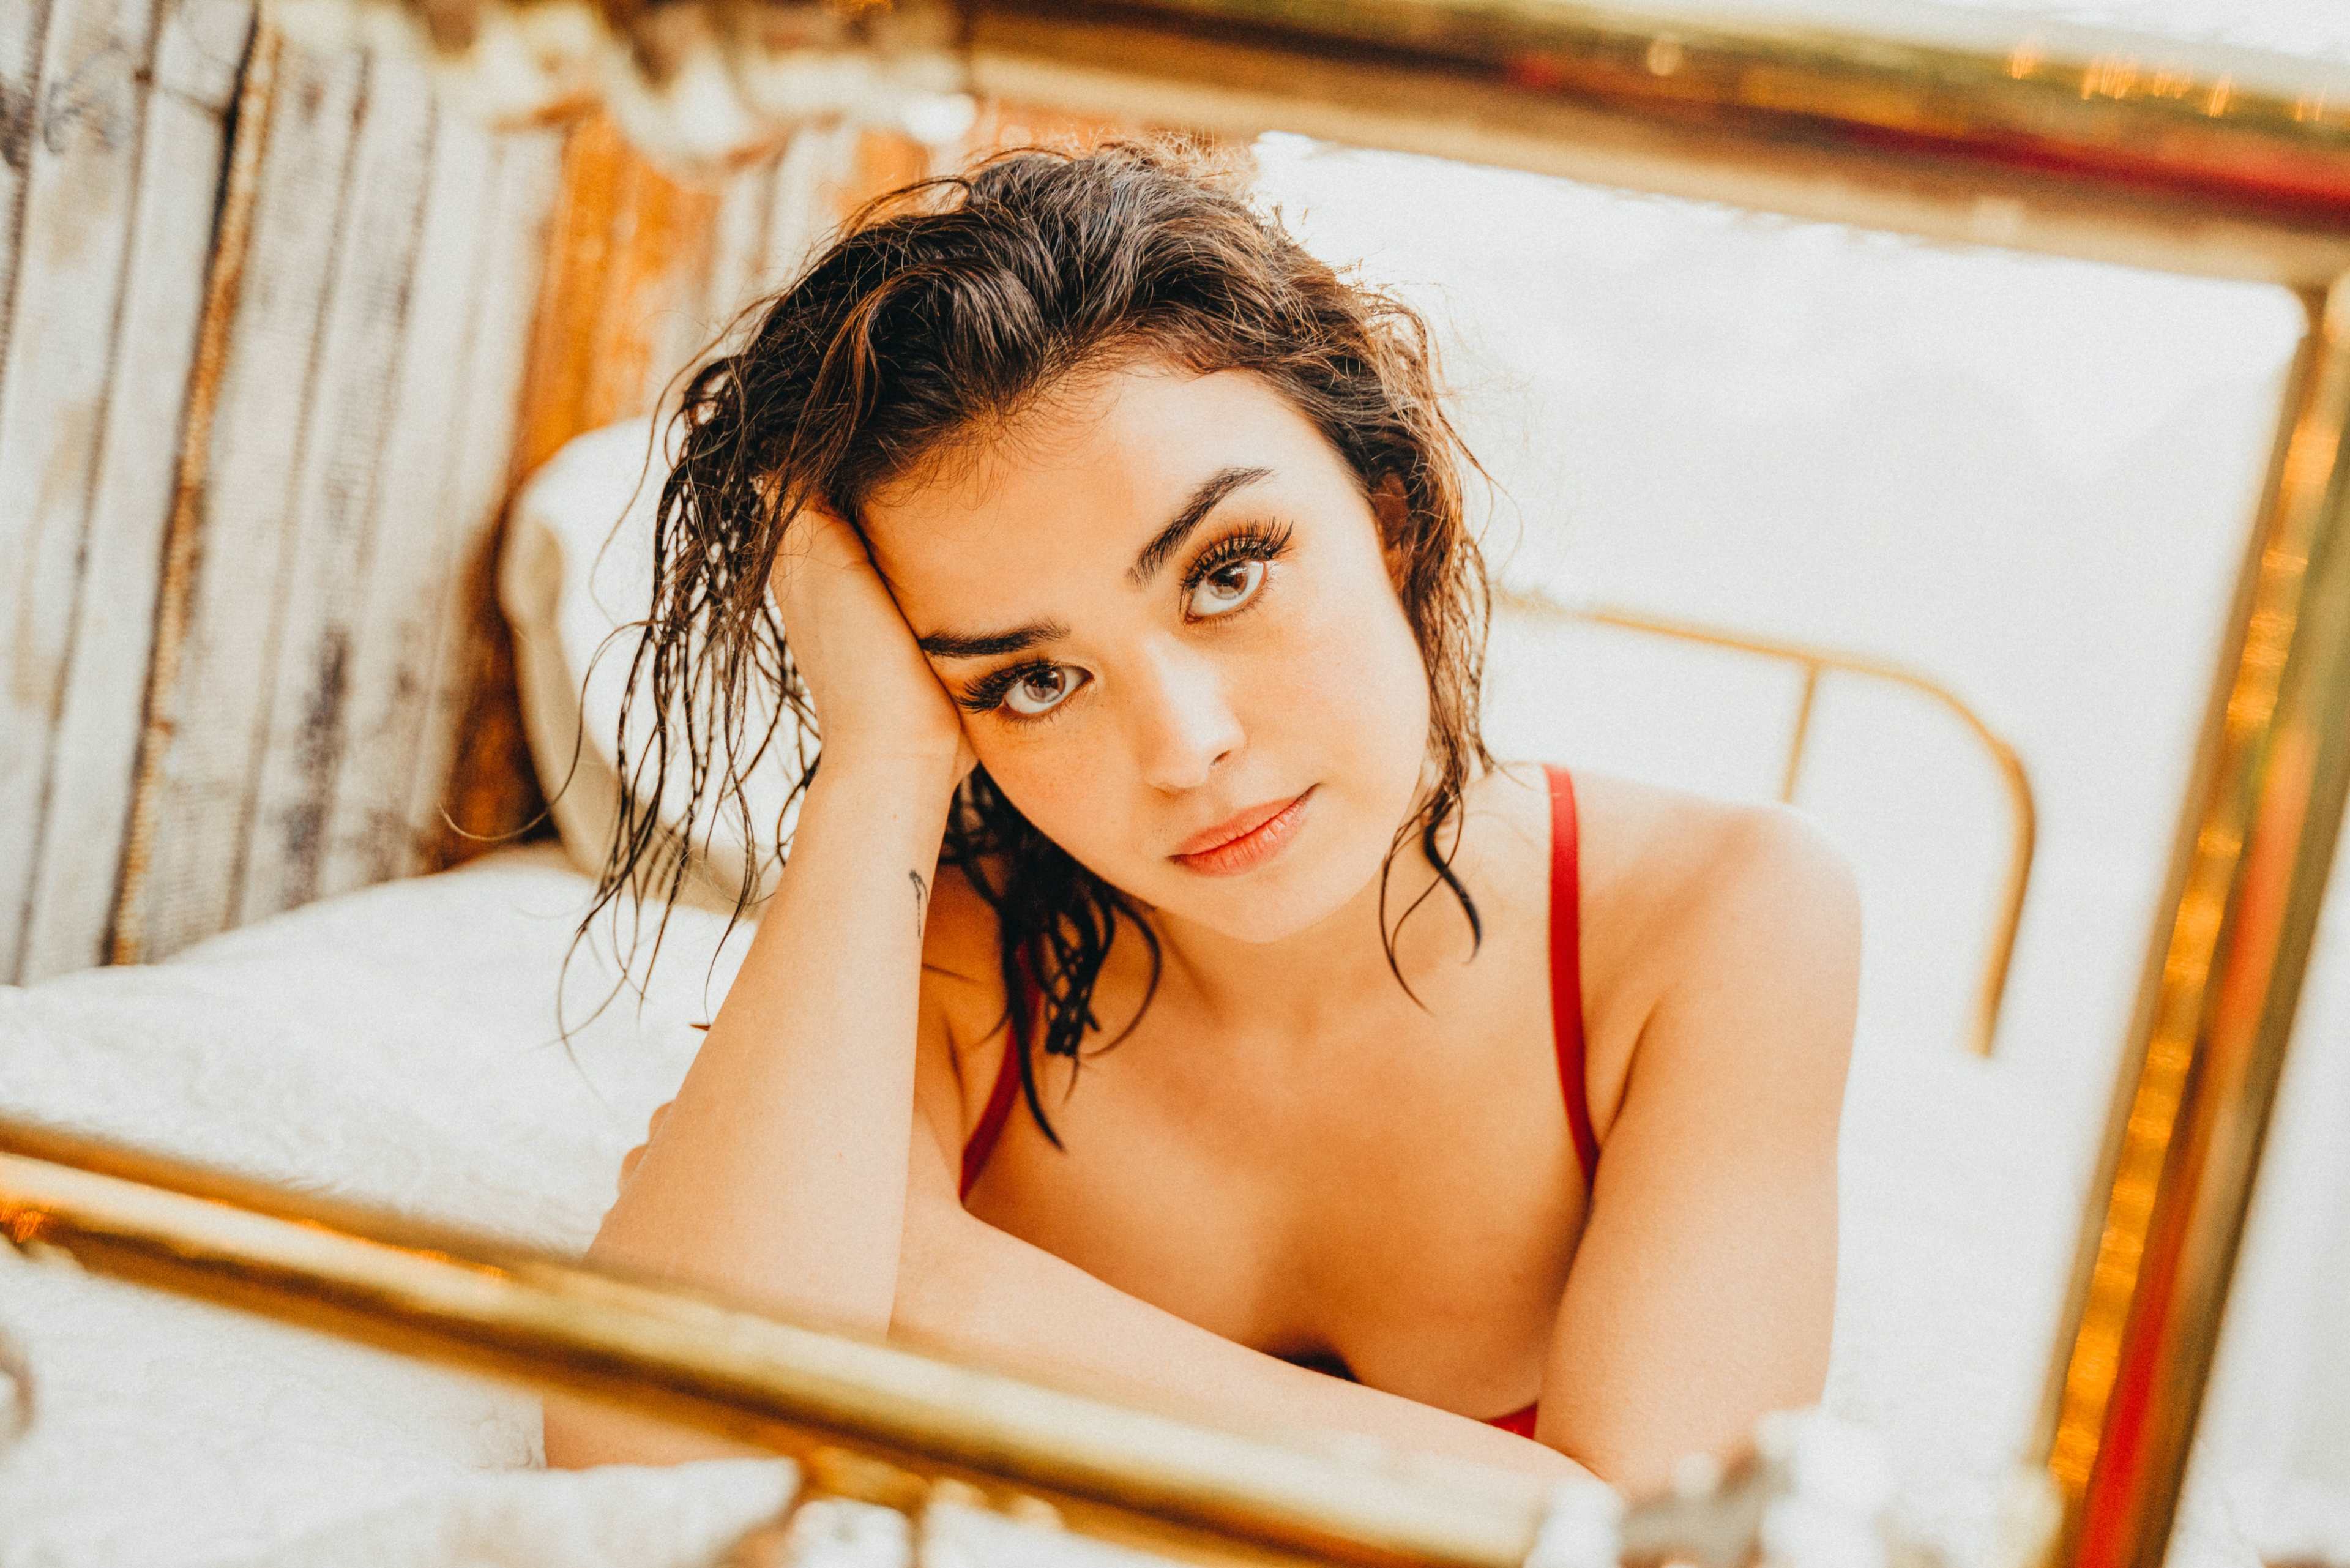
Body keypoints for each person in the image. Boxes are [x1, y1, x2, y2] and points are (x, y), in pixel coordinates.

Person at [540, 137, 1860, 1498]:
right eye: (1032, 679)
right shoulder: (939, 955)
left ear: (1391, 512)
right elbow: (639, 1443)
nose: (1185, 748)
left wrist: (940, 1290)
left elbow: (1668, 1546)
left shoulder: (1723, 916)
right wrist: (880, 764)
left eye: (1228, 573)